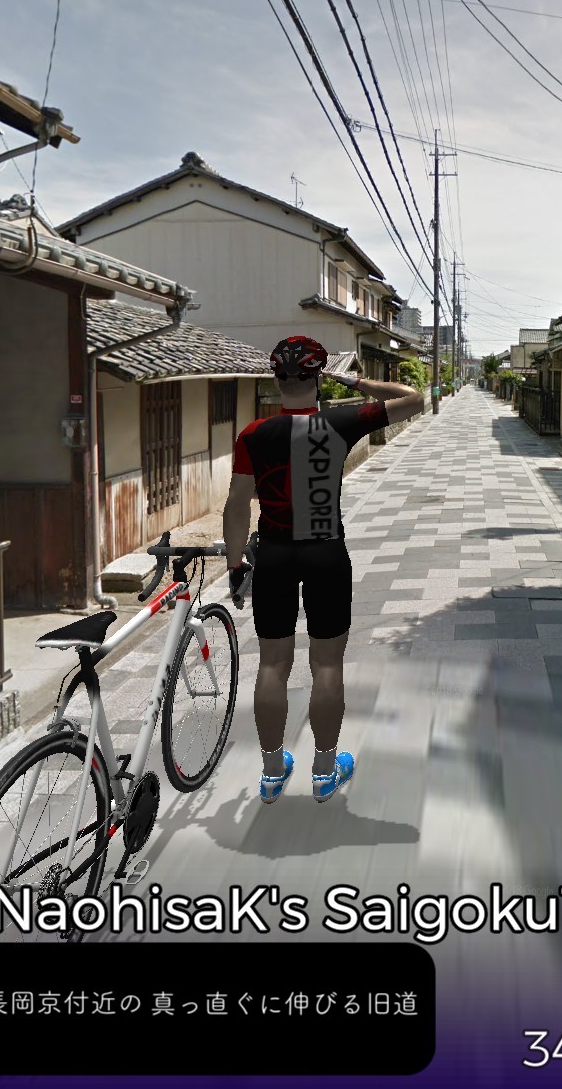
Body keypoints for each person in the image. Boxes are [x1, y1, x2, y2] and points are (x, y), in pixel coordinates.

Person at [222, 336, 425, 806]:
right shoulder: (342, 420)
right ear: (318, 378)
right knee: (327, 664)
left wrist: (235, 564)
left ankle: (272, 773)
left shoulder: (253, 434)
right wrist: (354, 381)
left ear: (276, 379)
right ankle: (324, 770)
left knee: (272, 664)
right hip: (326, 553)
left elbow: (236, 506)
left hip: (274, 554)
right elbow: (414, 399)